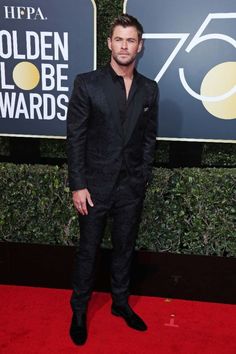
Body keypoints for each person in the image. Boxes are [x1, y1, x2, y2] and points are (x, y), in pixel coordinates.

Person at [67, 14, 159, 345]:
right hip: (93, 188)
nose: (124, 45)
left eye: (131, 40)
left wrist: (142, 177)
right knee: (88, 251)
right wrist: (78, 184)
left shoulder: (150, 89)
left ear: (140, 46)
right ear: (109, 43)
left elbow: (149, 138)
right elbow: (75, 137)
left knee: (125, 249)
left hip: (130, 188)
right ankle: (79, 310)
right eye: (119, 39)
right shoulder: (87, 83)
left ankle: (120, 303)